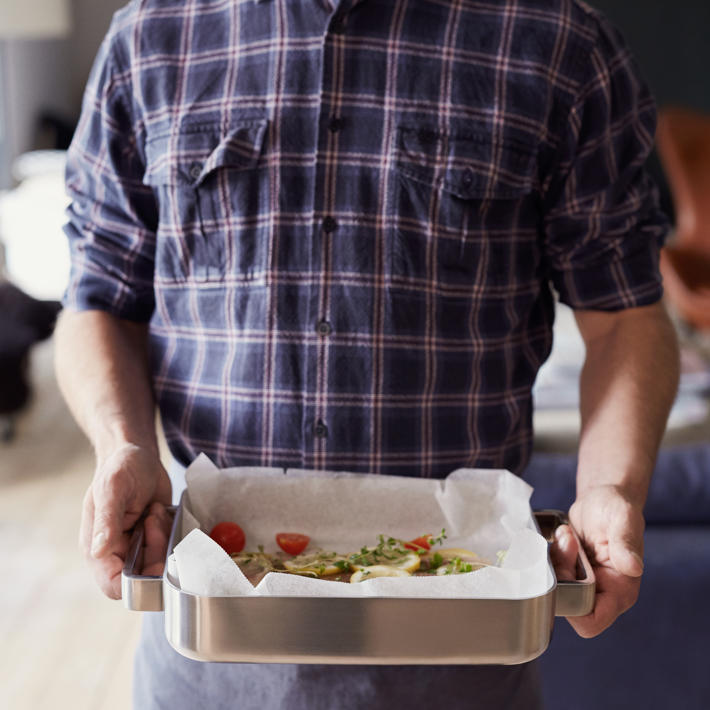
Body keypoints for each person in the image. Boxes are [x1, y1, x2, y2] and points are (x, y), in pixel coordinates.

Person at [55, 0, 680, 707]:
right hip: (211, 654)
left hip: (461, 660)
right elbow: (100, 299)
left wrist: (610, 490)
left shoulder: (558, 39)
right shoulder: (151, 34)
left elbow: (624, 315)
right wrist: (120, 447)